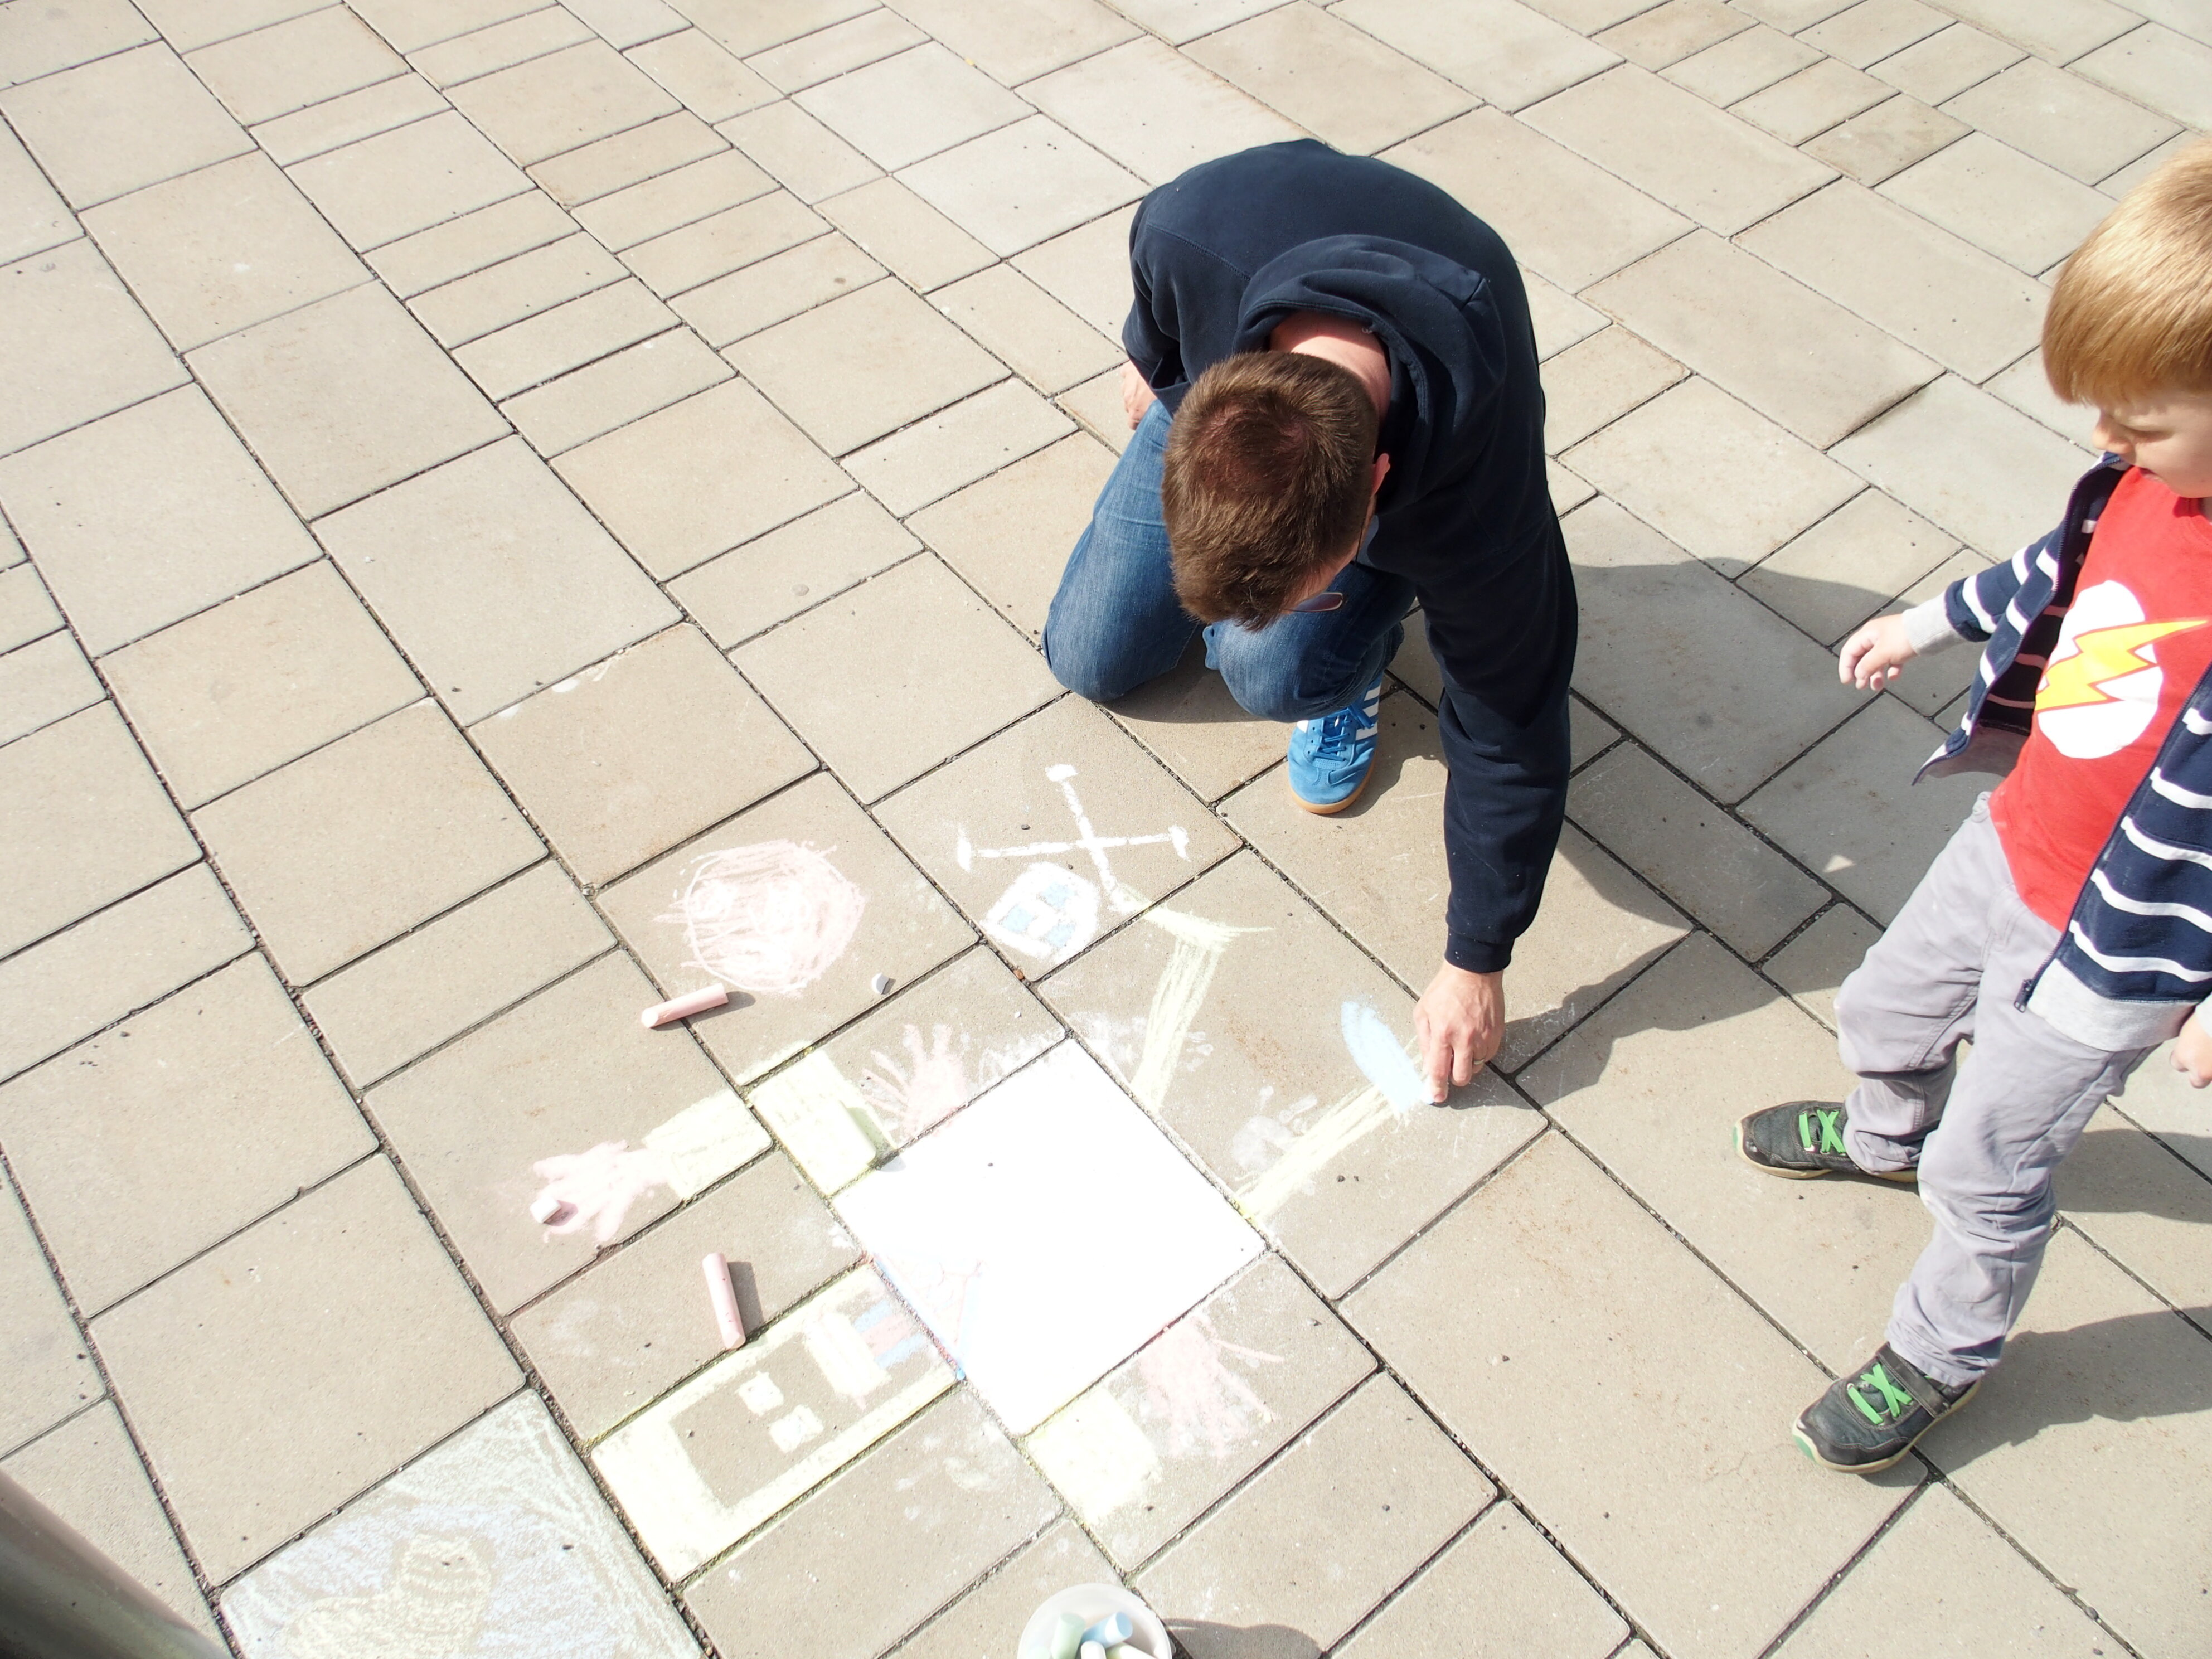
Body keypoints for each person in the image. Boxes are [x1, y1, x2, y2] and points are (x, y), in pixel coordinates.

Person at [1735, 139, 2212, 1474]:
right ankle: (1886, 1135)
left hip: (2113, 952)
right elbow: (2050, 576)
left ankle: (1943, 1348)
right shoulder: (2140, 486)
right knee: (1883, 1005)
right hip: (2013, 838)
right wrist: (1929, 618)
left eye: (2143, 415)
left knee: (1991, 1165)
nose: (2108, 441)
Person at [1044, 140, 1576, 1102]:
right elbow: (1159, 289)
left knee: (1270, 674)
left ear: (1376, 492)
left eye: (1315, 579)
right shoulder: (1186, 230)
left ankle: (1355, 650)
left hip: (1409, 436)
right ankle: (1242, 498)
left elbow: (1513, 724)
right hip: (1234, 366)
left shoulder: (1474, 507)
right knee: (1087, 657)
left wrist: (1476, 957)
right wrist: (1153, 356)